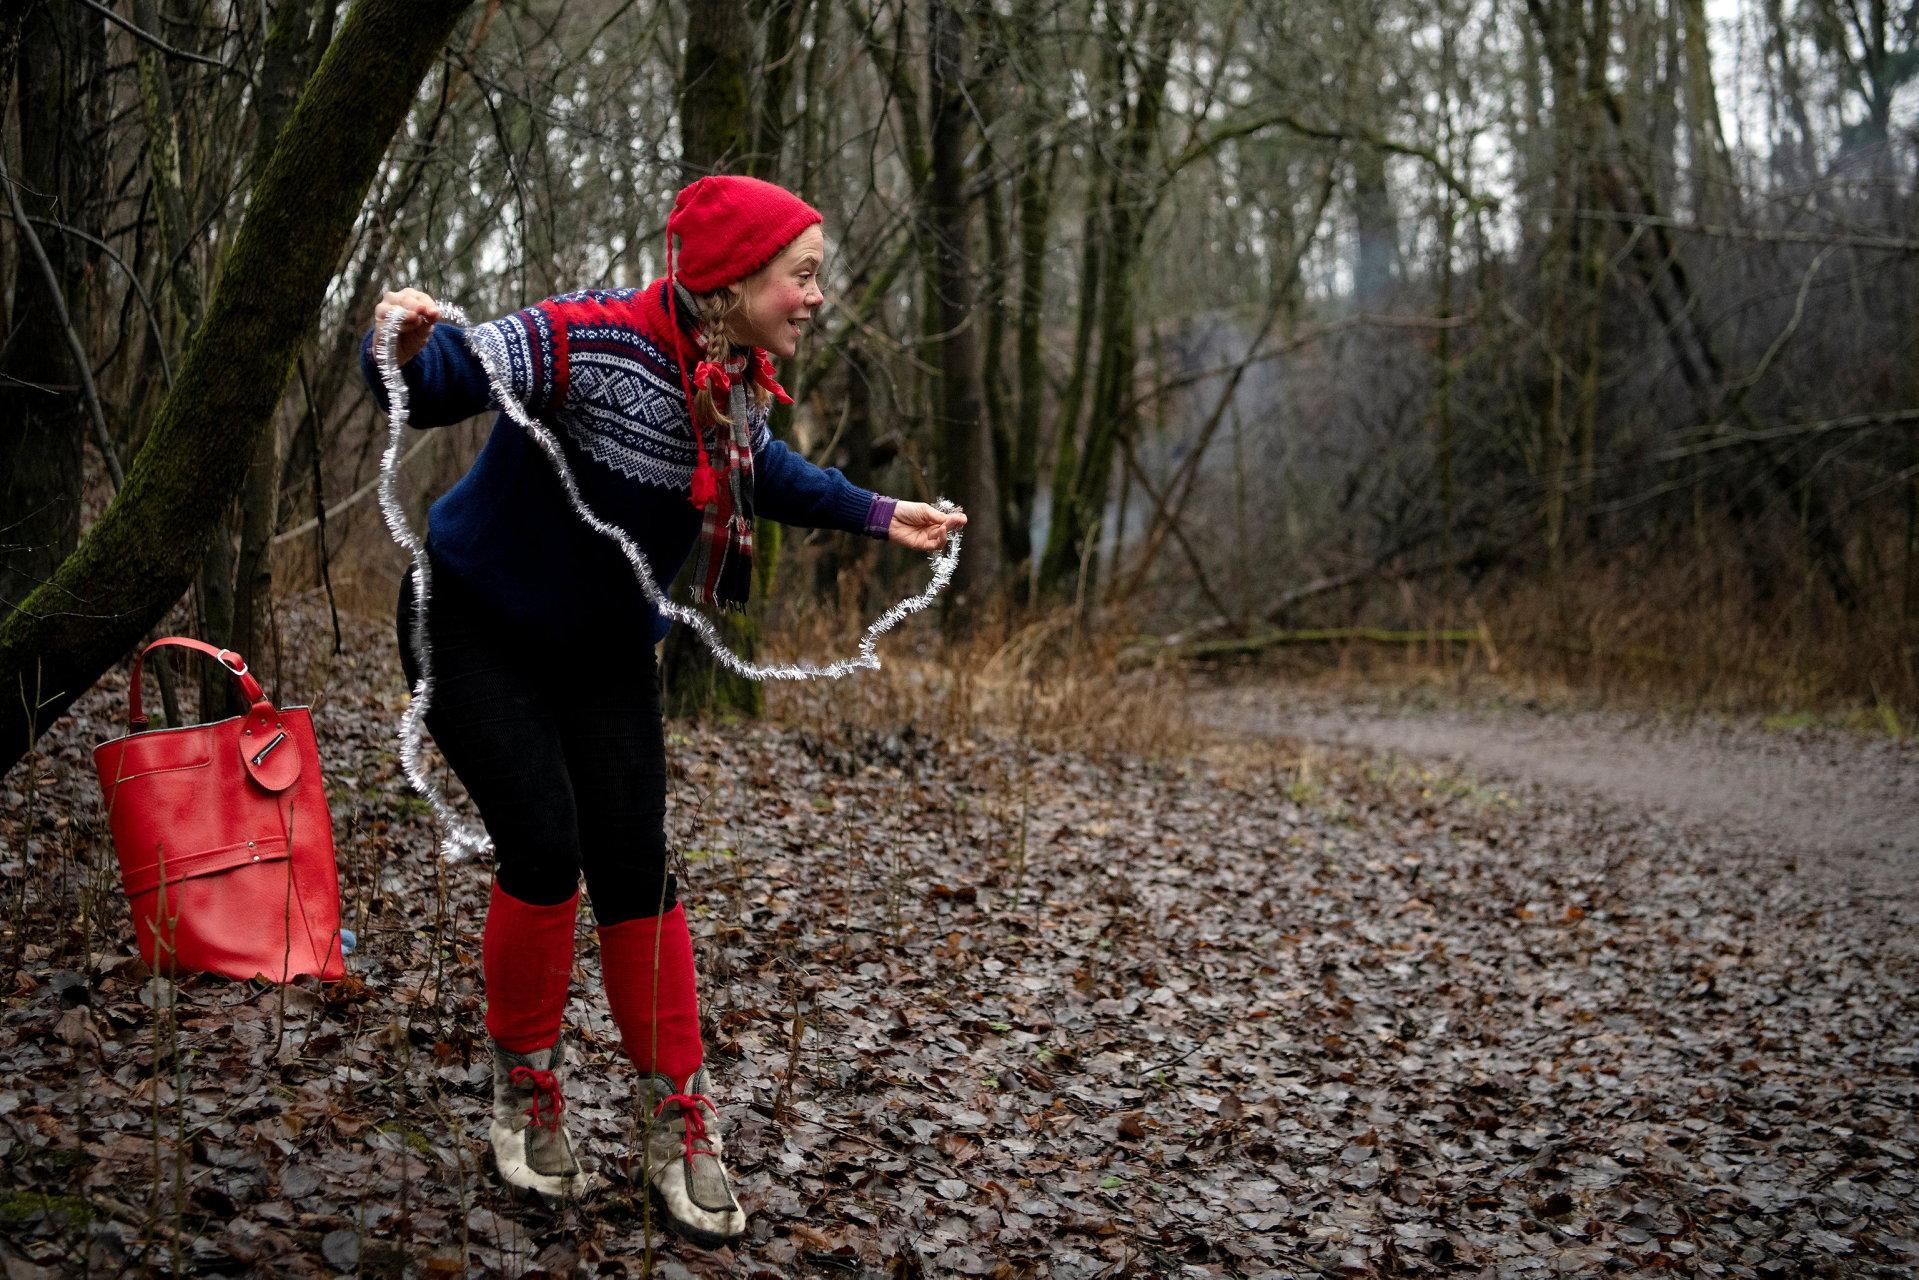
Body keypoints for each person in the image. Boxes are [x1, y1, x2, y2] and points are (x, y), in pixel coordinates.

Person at [358, 174, 965, 1246]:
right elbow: (444, 375)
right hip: (471, 621)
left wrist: (881, 514)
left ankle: (671, 1112)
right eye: (802, 275)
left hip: (601, 649)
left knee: (636, 861)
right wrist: (399, 342)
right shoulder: (583, 335)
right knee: (545, 843)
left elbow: (758, 472)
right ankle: (525, 1088)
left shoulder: (727, 383)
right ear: (731, 282)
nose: (816, 295)